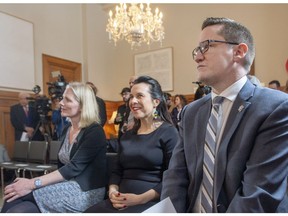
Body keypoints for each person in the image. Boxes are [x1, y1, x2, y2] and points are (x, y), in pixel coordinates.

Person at [161, 17, 288, 213]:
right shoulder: (191, 112)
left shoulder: (275, 107)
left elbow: (257, 194)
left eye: (207, 46)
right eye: (197, 50)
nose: (197, 57)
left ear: (238, 51)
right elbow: (176, 176)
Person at [1, 82, 108, 213]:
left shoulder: (94, 131)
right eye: (62, 98)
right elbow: (62, 166)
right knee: (14, 194)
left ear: (82, 105)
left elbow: (73, 168)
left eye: (67, 100)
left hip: (84, 191)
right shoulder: (67, 129)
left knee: (16, 194)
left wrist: (31, 183)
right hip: (65, 184)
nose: (61, 103)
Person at [85, 75, 179, 213]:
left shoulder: (168, 132)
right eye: (132, 96)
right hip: (120, 201)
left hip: (152, 202)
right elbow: (117, 170)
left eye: (140, 96)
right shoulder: (127, 135)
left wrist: (140, 199)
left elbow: (174, 176)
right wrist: (112, 192)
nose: (133, 101)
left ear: (156, 102)